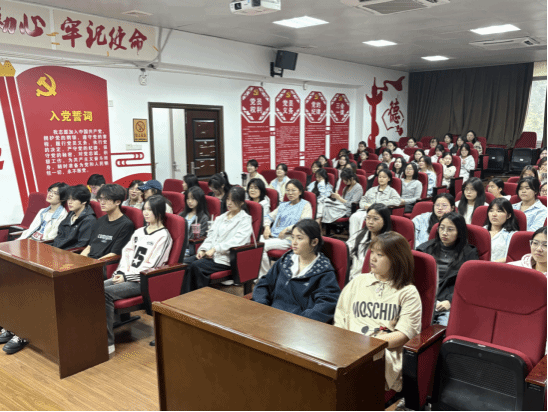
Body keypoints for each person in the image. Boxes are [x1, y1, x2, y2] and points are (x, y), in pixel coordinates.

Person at [335, 231, 422, 393]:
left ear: (396, 259)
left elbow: (404, 334)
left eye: (379, 254)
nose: (372, 258)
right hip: (347, 349)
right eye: (372, 252)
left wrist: (368, 345)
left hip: (382, 354)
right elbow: (340, 320)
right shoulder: (358, 282)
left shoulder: (408, 292)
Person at [104, 195, 173, 354]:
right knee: (93, 288)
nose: (145, 213)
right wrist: (121, 272)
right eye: (144, 209)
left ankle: (108, 342)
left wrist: (127, 277)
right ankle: (95, 331)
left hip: (142, 281)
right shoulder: (139, 232)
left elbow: (153, 266)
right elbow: (126, 254)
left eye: (150, 210)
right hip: (126, 275)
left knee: (105, 293)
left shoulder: (164, 236)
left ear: (159, 212)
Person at [252, 220, 341, 323]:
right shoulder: (285, 260)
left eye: (299, 238)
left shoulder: (324, 271)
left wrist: (300, 321)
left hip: (299, 324)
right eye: (293, 237)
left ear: (314, 242)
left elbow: (326, 304)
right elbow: (264, 283)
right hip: (271, 316)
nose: (294, 242)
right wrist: (262, 305)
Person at [182, 186, 253, 293]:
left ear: (242, 203)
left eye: (233, 200)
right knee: (183, 263)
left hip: (226, 258)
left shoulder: (245, 219)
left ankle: (195, 296)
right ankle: (184, 295)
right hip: (210, 255)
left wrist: (215, 249)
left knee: (195, 266)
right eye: (228, 199)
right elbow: (211, 236)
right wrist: (203, 249)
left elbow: (237, 241)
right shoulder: (221, 217)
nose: (229, 203)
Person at [417, 212, 479, 326]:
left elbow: (471, 284)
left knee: (444, 326)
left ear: (459, 232)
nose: (444, 233)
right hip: (424, 299)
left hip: (449, 301)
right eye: (441, 228)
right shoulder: (424, 249)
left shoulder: (469, 253)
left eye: (450, 229)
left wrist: (451, 301)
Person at [259, 180, 313, 278]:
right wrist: (266, 227)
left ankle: (266, 277)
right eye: (287, 190)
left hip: (288, 238)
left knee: (260, 247)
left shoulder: (305, 205)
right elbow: (268, 217)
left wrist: (287, 229)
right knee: (251, 243)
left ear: (300, 192)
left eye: (293, 190)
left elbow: (305, 223)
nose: (290, 193)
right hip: (273, 235)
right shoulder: (283, 205)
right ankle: (261, 274)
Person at [80, 184, 135, 261]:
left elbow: (114, 253)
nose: (102, 202)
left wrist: (93, 264)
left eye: (107, 199)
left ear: (118, 202)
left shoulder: (126, 225)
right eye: (101, 199)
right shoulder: (100, 220)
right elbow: (89, 246)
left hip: (102, 263)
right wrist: (80, 260)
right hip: (89, 261)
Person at [349, 169, 401, 237]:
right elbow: (363, 200)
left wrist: (380, 204)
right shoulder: (371, 190)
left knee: (364, 219)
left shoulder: (391, 191)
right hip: (366, 210)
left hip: (378, 213)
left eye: (384, 177)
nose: (381, 179)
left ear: (388, 179)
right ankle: (353, 238)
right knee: (354, 216)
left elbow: (397, 201)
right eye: (380, 177)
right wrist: (365, 206)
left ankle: (363, 239)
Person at [346, 204, 391, 281]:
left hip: (374, 282)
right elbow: (346, 252)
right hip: (354, 279)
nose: (370, 222)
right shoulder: (359, 235)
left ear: (385, 221)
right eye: (368, 218)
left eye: (375, 219)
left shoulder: (388, 242)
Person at [53, 185, 97, 250]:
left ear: (84, 201)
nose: (69, 202)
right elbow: (60, 233)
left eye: (74, 199)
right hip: (57, 248)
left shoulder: (89, 220)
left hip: (68, 252)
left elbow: (82, 244)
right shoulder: (71, 214)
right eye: (68, 199)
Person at [180, 186, 210, 263]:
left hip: (189, 249)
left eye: (193, 199)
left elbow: (198, 237)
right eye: (188, 198)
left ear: (199, 200)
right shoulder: (181, 215)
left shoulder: (203, 218)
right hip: (178, 247)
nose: (190, 201)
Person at [484, 198, 519, 262]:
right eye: (491, 211)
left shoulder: (512, 235)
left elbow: (512, 258)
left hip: (499, 266)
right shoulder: (481, 231)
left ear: (508, 215)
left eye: (499, 211)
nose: (494, 214)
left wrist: (490, 265)